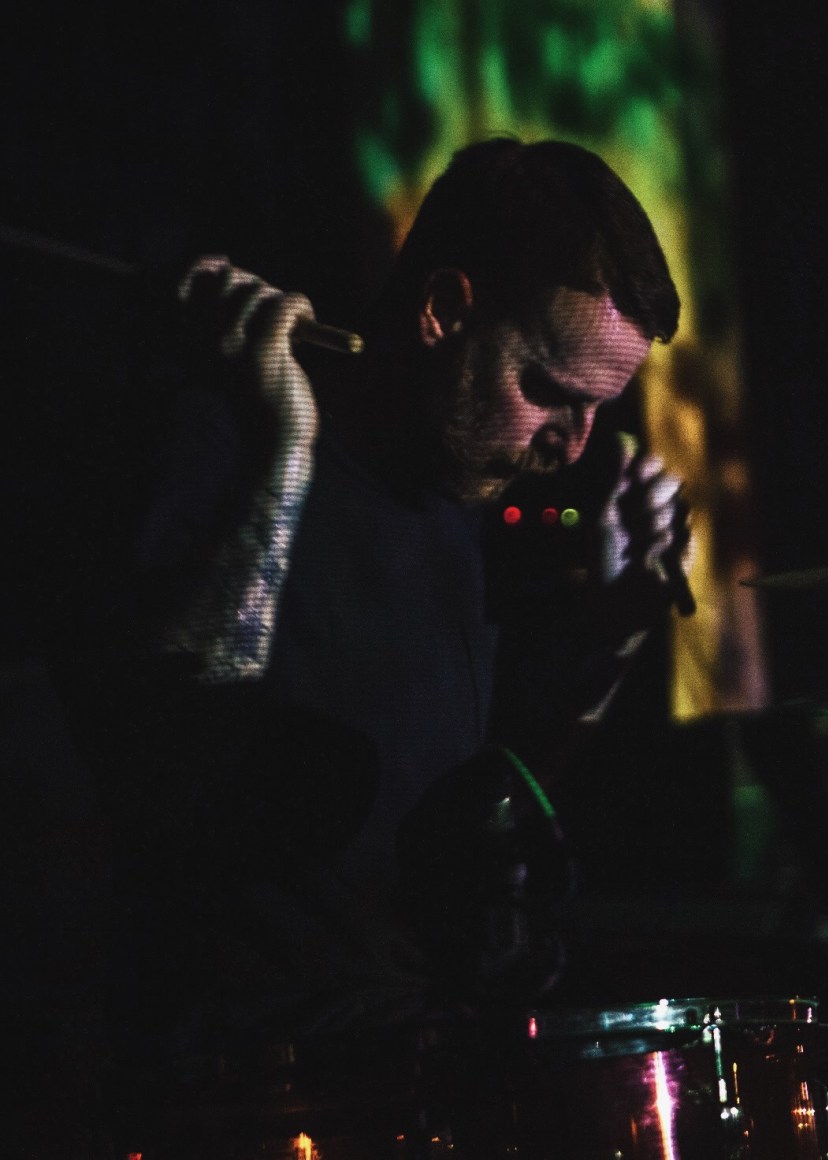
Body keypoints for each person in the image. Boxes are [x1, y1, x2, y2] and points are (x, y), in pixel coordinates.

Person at [41, 137, 695, 1147]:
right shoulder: (220, 439)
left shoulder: (454, 495)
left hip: (416, 1064)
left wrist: (614, 632)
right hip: (244, 1092)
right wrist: (283, 455)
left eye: (598, 408)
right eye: (550, 391)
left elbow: (478, 805)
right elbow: (163, 754)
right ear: (444, 311)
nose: (571, 441)